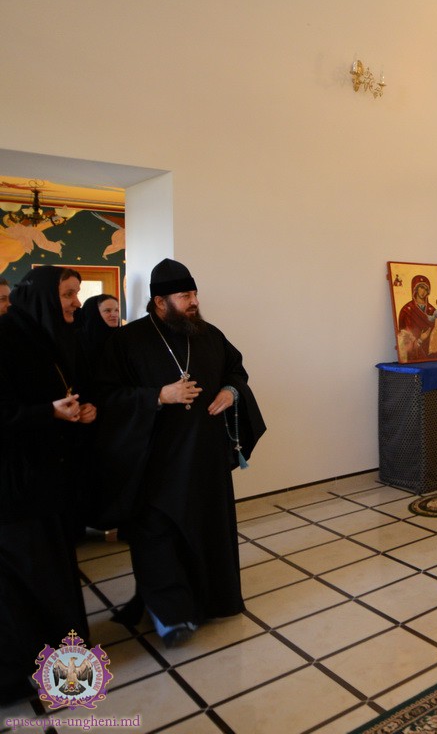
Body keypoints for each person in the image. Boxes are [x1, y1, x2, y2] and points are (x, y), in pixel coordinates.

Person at [94, 259, 265, 647]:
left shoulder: (209, 334)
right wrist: (158, 395)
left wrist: (231, 391)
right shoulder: (127, 341)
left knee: (208, 529)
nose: (194, 301)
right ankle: (170, 615)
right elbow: (106, 395)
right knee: (159, 533)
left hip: (205, 458)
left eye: (194, 294)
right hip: (154, 460)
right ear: (160, 302)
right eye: (185, 295)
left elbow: (236, 371)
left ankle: (213, 601)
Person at [0, 266, 94, 702]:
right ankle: (21, 671)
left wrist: (79, 411)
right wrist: (50, 413)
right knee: (26, 582)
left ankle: (61, 662)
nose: (76, 302)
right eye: (68, 294)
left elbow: (58, 391)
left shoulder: (43, 335)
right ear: (42, 298)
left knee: (51, 575)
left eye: (77, 293)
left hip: (44, 483)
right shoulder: (6, 337)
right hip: (15, 488)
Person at [396, 274, 437, 362]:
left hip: (432, 354)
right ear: (416, 288)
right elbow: (403, 337)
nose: (423, 291)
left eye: (426, 289)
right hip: (414, 354)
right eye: (421, 287)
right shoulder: (406, 310)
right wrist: (420, 339)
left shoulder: (432, 310)